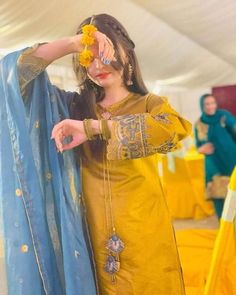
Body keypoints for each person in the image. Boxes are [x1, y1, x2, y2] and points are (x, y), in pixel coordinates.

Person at [1, 13, 191, 294]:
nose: (96, 65)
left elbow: (171, 131)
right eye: (87, 58)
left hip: (145, 235)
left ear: (126, 51)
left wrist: (93, 128)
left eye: (103, 52)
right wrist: (72, 44)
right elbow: (15, 80)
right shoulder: (72, 107)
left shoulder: (149, 104)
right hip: (90, 242)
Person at [195, 94, 236, 219]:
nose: (210, 106)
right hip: (213, 163)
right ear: (202, 105)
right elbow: (198, 146)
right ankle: (223, 228)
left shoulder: (224, 116)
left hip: (231, 160)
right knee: (218, 196)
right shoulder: (199, 124)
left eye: (212, 103)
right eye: (207, 104)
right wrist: (201, 149)